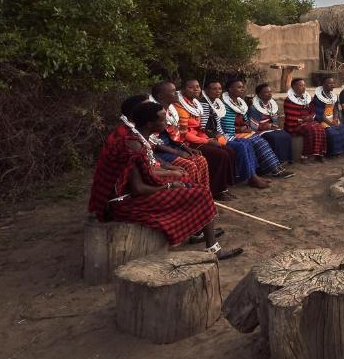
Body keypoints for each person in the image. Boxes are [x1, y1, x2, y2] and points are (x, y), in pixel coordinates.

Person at [88, 99, 242, 259]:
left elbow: (147, 171)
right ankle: (213, 249)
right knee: (201, 193)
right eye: (162, 120)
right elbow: (138, 189)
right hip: (123, 203)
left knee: (190, 185)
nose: (166, 122)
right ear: (149, 124)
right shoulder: (133, 146)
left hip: (133, 194)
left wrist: (171, 177)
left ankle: (197, 231)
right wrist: (169, 186)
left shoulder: (139, 139)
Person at [200, 80, 271, 190]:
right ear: (206, 90)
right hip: (209, 137)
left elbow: (218, 125)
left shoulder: (216, 103)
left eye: (219, 88)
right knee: (241, 146)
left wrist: (223, 135)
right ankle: (251, 177)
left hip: (220, 135)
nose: (218, 91)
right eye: (214, 89)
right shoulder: (204, 104)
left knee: (247, 143)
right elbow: (203, 127)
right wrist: (219, 136)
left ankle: (253, 175)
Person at [173, 79, 236, 200]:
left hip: (198, 137)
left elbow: (200, 129)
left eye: (197, 87)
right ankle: (216, 190)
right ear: (183, 90)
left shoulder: (195, 104)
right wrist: (207, 141)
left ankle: (223, 187)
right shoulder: (180, 106)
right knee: (220, 155)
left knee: (229, 150)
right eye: (191, 87)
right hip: (187, 142)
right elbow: (184, 134)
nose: (196, 89)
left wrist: (209, 139)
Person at [218, 80, 293, 182]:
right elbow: (226, 126)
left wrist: (246, 127)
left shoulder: (240, 102)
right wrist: (240, 129)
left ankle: (275, 168)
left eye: (242, 87)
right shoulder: (224, 105)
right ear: (230, 89)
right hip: (231, 133)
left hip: (243, 131)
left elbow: (246, 121)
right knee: (258, 142)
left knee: (262, 142)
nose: (242, 89)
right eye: (239, 87)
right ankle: (273, 170)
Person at [147, 81, 210, 191]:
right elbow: (153, 143)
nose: (176, 93)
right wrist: (178, 152)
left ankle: (204, 191)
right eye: (172, 91)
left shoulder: (171, 110)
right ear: (161, 96)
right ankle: (191, 193)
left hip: (171, 148)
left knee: (201, 159)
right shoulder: (154, 114)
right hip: (159, 152)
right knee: (189, 165)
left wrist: (185, 148)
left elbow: (174, 136)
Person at [246, 82, 295, 164]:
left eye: (270, 92)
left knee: (286, 135)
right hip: (260, 131)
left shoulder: (272, 105)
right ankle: (276, 161)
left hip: (271, 128)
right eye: (266, 92)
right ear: (259, 95)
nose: (269, 94)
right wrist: (265, 126)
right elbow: (253, 127)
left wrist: (273, 125)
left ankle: (286, 158)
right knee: (274, 138)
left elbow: (275, 121)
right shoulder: (254, 108)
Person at [283, 78, 328, 161]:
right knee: (310, 129)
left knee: (320, 128)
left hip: (308, 121)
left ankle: (319, 153)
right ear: (294, 87)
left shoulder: (307, 98)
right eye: (301, 85)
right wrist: (304, 120)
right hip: (294, 124)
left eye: (304, 85)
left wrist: (310, 117)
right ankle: (305, 155)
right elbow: (290, 116)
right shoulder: (289, 100)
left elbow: (313, 111)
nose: (304, 87)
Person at [311, 76, 344, 157]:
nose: (332, 85)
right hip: (322, 119)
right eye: (330, 83)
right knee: (331, 132)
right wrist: (331, 123)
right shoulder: (318, 97)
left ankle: (339, 151)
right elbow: (320, 114)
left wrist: (335, 118)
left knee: (343, 129)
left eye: (333, 83)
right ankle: (330, 153)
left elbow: (335, 108)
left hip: (332, 118)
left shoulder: (333, 96)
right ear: (323, 85)